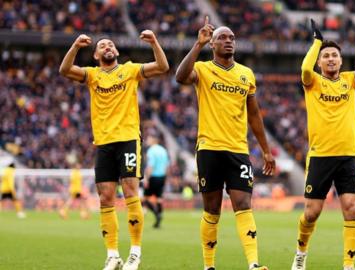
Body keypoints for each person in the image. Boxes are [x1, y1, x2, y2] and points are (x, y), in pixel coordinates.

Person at [59, 30, 169, 270]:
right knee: (105, 198)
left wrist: (154, 42)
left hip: (128, 138)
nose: (107, 46)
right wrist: (76, 46)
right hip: (104, 143)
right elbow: (65, 70)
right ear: (97, 55)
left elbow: (162, 66)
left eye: (111, 44)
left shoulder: (129, 70)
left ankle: (135, 253)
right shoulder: (92, 75)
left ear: (116, 52)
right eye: (102, 46)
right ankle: (112, 255)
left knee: (130, 192)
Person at [176, 16, 276, 270]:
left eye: (231, 38)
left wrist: (266, 150)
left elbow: (254, 114)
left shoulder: (246, 74)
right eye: (222, 37)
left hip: (238, 150)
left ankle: (253, 264)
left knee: (243, 204)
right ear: (212, 44)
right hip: (209, 148)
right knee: (212, 210)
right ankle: (209, 265)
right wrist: (197, 45)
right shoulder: (203, 69)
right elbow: (180, 76)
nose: (229, 41)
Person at [291, 15, 355, 270]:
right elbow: (305, 70)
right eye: (326, 55)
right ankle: (301, 253)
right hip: (320, 155)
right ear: (320, 61)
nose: (330, 58)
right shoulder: (313, 82)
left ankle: (348, 265)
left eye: (334, 55)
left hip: (348, 154)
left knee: (351, 208)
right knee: (311, 213)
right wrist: (316, 42)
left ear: (341, 60)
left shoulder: (350, 80)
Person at [143, 134, 170, 228]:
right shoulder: (163, 150)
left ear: (154, 140)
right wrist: (165, 178)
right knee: (159, 198)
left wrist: (146, 178)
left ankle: (156, 215)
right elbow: (167, 166)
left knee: (145, 199)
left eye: (149, 138)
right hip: (162, 177)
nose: (147, 140)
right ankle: (158, 220)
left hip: (153, 177)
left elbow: (150, 166)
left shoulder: (151, 151)